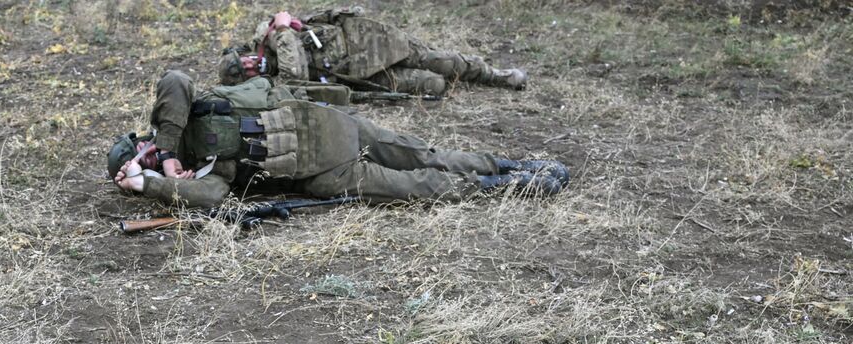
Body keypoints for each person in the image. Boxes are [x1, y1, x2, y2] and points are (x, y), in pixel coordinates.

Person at [108, 70, 567, 214]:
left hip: (337, 128)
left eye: (140, 151)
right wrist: (150, 186)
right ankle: (515, 186)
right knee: (419, 185)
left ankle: (511, 164)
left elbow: (174, 78)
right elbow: (212, 195)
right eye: (140, 161)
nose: (145, 155)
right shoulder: (203, 173)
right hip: (327, 175)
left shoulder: (185, 112)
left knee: (424, 155)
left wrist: (165, 155)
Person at [220, 8, 527, 97]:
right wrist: (286, 33)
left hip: (365, 41)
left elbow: (280, 20)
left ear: (244, 54)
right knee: (433, 85)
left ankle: (497, 76)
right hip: (364, 76)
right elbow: (295, 74)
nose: (250, 68)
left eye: (244, 64)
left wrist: (282, 32)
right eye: (244, 74)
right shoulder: (271, 85)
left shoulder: (267, 38)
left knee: (441, 61)